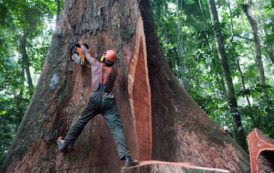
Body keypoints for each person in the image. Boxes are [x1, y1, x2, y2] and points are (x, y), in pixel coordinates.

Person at [57, 44, 138, 167]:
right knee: (116, 129)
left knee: (80, 121)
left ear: (103, 58)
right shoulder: (114, 72)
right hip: (108, 100)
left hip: (94, 98)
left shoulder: (95, 64)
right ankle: (127, 158)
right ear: (113, 62)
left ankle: (65, 143)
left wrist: (80, 45)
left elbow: (87, 54)